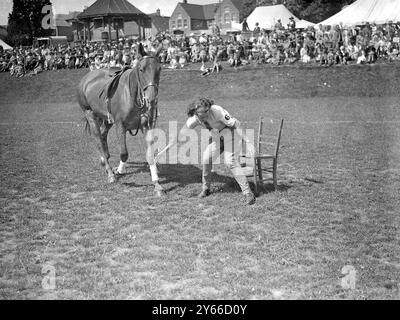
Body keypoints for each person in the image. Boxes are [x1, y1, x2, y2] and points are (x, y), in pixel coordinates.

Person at [157, 98, 256, 205]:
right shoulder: (194, 119)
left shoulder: (217, 110)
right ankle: (206, 189)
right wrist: (168, 148)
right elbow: (181, 134)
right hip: (217, 139)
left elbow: (236, 124)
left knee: (230, 161)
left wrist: (248, 142)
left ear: (208, 108)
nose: (205, 116)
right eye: (202, 115)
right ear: (195, 113)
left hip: (231, 136)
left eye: (206, 112)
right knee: (206, 159)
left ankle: (248, 193)